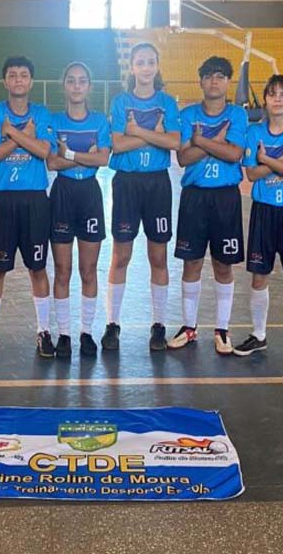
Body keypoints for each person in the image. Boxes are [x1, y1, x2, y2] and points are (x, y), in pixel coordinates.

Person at [103, 42, 181, 352]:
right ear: (132, 67)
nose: (145, 67)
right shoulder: (121, 102)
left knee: (158, 256)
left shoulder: (168, 103)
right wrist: (154, 135)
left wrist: (137, 131)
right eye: (140, 62)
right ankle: (112, 324)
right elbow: (117, 146)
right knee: (120, 255)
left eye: (150, 62)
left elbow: (174, 142)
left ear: (157, 66)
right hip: (127, 182)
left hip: (157, 185)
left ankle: (159, 325)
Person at [168, 56, 247, 355]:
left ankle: (222, 330)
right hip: (195, 197)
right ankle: (189, 328)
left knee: (223, 265)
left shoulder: (238, 115)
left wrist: (200, 141)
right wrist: (216, 140)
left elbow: (234, 154)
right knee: (192, 262)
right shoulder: (187, 115)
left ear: (228, 82)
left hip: (225, 197)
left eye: (220, 76)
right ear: (200, 81)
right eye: (209, 76)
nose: (214, 81)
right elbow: (183, 158)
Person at [0, 56, 57, 358]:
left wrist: (11, 132)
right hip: (2, 201)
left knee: (38, 268)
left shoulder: (42, 113)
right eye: (12, 75)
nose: (18, 80)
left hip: (35, 200)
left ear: (31, 81)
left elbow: (43, 151)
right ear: (5, 81)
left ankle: (43, 331)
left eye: (24, 75)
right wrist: (25, 135)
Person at [239, 74, 283, 365]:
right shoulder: (254, 132)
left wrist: (267, 159)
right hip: (264, 210)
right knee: (259, 275)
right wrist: (282, 162)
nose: (278, 99)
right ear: (265, 99)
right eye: (272, 94)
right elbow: (251, 174)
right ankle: (258, 335)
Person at [48, 62, 112, 358]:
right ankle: (64, 334)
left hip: (89, 194)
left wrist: (70, 153)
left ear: (89, 86)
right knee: (62, 270)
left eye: (82, 81)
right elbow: (52, 162)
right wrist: (87, 156)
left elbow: (102, 161)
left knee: (88, 270)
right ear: (64, 85)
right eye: (71, 80)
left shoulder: (100, 121)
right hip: (62, 194)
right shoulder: (54, 120)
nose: (76, 86)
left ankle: (86, 332)